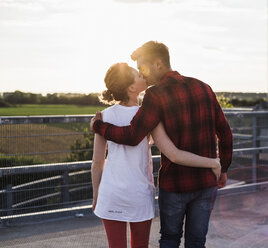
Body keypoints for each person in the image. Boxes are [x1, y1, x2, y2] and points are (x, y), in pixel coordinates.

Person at [90, 41, 233, 248]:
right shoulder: (205, 88)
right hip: (203, 183)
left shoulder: (152, 97)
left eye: (143, 69)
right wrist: (222, 167)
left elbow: (128, 139)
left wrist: (99, 127)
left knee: (169, 239)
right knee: (196, 242)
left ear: (158, 64)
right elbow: (226, 134)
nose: (143, 74)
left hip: (171, 185)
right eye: (139, 72)